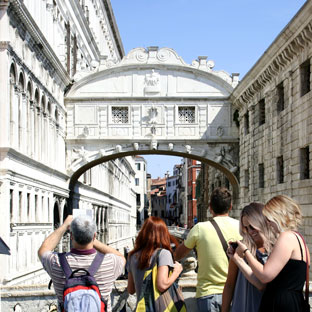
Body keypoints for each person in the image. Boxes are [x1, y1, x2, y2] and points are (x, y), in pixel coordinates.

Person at [235, 195, 310, 312]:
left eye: (269, 219)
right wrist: (238, 259)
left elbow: (265, 276)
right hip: (294, 302)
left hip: (281, 305)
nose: (268, 224)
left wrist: (246, 251)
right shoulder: (300, 240)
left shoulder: (286, 237)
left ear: (278, 216)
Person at [38, 215, 125, 312]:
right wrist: (91, 238)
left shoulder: (55, 262)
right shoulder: (109, 263)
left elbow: (43, 249)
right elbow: (121, 257)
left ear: (71, 236)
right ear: (94, 236)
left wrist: (64, 225)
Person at [174, 187, 241, 312]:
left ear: (210, 208)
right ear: (230, 207)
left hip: (208, 293)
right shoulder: (240, 226)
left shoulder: (200, 228)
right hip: (236, 293)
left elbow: (177, 254)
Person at [222, 203, 277, 312]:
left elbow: (263, 284)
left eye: (252, 226)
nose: (250, 232)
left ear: (262, 222)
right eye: (246, 228)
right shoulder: (240, 250)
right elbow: (229, 284)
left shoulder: (277, 249)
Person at [127, 216, 183, 303]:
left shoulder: (132, 256)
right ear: (163, 234)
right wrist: (177, 272)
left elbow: (131, 290)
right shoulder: (163, 254)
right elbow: (162, 285)